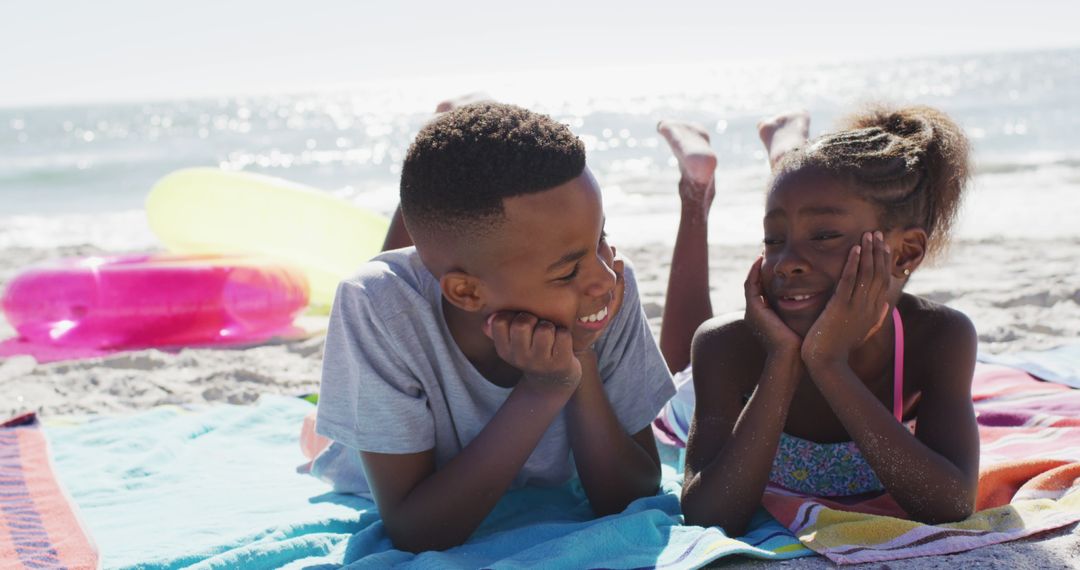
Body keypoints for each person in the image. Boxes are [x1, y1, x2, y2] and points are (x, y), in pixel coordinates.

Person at [314, 102, 675, 552]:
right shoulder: (375, 309)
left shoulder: (602, 289)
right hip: (371, 465)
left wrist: (579, 355)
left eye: (600, 237)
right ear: (466, 294)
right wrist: (544, 388)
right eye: (566, 272)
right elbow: (416, 531)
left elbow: (630, 495)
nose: (603, 276)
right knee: (317, 434)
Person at [656, 106, 980, 536]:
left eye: (825, 236)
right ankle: (695, 192)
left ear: (904, 254)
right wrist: (782, 362)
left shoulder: (939, 339)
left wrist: (829, 364)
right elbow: (709, 515)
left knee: (803, 194)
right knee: (678, 365)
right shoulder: (727, 347)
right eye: (773, 240)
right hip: (700, 394)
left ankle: (786, 156)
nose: (786, 262)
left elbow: (951, 505)